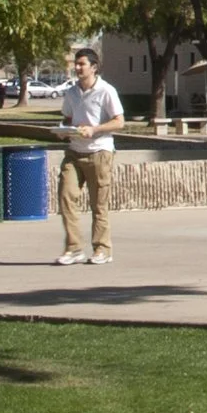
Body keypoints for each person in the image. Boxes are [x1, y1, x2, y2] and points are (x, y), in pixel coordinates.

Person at [57, 44, 124, 264]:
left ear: (93, 67)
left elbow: (119, 121)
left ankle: (102, 249)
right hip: (74, 152)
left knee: (98, 204)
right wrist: (63, 130)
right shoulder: (72, 92)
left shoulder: (106, 90)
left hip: (99, 152)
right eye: (76, 64)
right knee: (67, 197)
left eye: (82, 64)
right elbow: (67, 118)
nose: (77, 68)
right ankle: (74, 248)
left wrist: (94, 129)